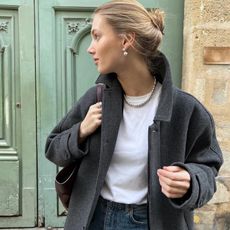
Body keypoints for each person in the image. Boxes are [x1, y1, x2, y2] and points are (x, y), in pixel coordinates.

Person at [45, 0, 223, 229]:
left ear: (126, 40)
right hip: (93, 218)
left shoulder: (186, 109)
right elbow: (53, 149)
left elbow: (208, 169)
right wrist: (79, 132)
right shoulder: (95, 99)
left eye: (97, 36)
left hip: (150, 222)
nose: (90, 47)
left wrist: (191, 180)